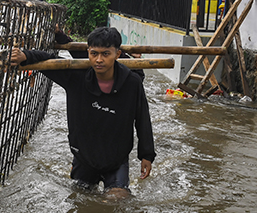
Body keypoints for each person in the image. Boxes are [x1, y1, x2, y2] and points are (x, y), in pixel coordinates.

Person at [10, 26, 155, 197]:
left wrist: (146, 155)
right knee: (79, 201)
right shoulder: (76, 78)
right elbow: (49, 62)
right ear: (88, 52)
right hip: (84, 156)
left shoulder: (132, 83)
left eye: (105, 54)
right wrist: (25, 55)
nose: (99, 59)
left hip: (117, 158)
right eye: (94, 53)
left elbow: (142, 117)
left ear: (117, 54)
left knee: (119, 200)